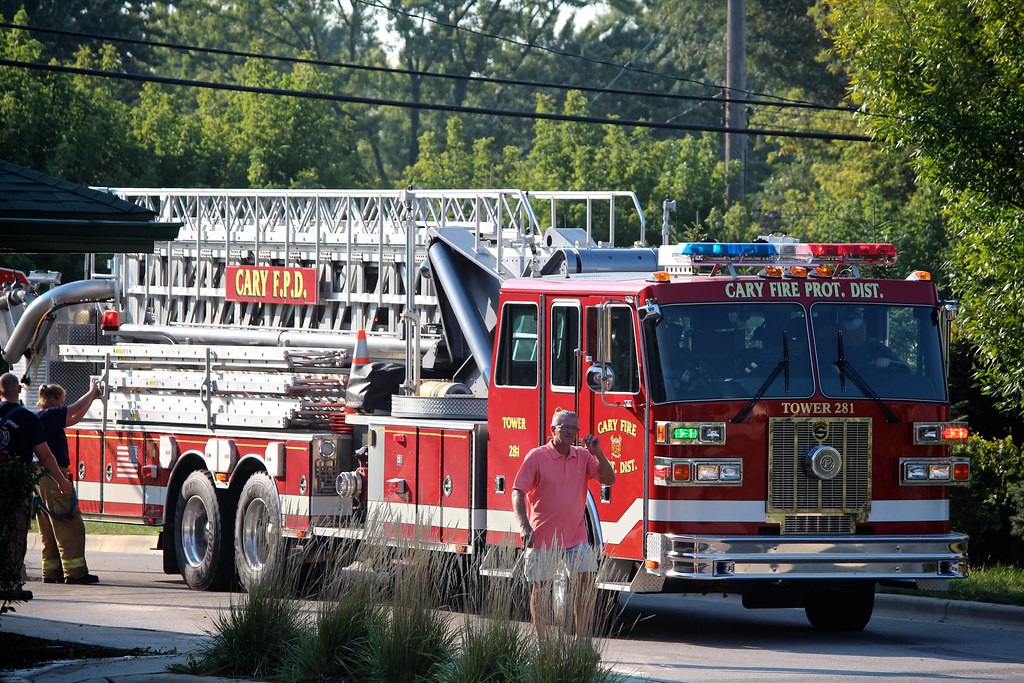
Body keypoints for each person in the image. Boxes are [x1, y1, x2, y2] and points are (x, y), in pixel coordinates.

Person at [511, 410, 616, 638]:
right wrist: (524, 525)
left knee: (587, 581)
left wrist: (598, 452)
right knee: (541, 588)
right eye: (564, 427)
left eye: (574, 429)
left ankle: (582, 641)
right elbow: (517, 491)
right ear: (553, 430)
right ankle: (543, 642)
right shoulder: (537, 456)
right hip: (542, 537)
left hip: (575, 536)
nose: (570, 432)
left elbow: (609, 479)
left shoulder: (583, 456)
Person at [0, 372, 73, 601]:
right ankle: (9, 585)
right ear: (18, 390)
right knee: (15, 534)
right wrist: (62, 481)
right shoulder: (28, 419)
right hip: (15, 486)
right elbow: (45, 455)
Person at [35, 379, 102, 585]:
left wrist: (92, 399)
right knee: (68, 523)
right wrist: (91, 392)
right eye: (61, 400)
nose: (64, 404)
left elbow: (74, 418)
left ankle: (52, 572)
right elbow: (74, 409)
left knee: (49, 525)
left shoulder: (45, 418)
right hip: (53, 476)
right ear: (53, 400)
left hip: (42, 477)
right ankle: (75, 573)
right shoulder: (50, 414)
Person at [838, 309, 906, 372]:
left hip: (875, 384)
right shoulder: (834, 350)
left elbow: (905, 369)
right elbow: (828, 371)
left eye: (858, 334)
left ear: (865, 330)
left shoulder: (878, 348)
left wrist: (888, 362)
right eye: (847, 335)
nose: (852, 339)